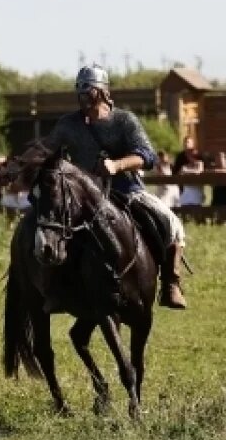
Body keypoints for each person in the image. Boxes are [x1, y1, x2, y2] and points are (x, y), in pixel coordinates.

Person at [16, 64, 188, 309]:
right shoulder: (69, 124)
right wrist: (17, 165)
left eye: (88, 91)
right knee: (51, 228)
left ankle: (171, 283)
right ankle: (55, 290)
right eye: (80, 92)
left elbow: (147, 156)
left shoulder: (124, 120)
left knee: (171, 223)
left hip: (126, 190)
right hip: (83, 196)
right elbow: (45, 148)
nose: (83, 98)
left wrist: (117, 165)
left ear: (102, 91)